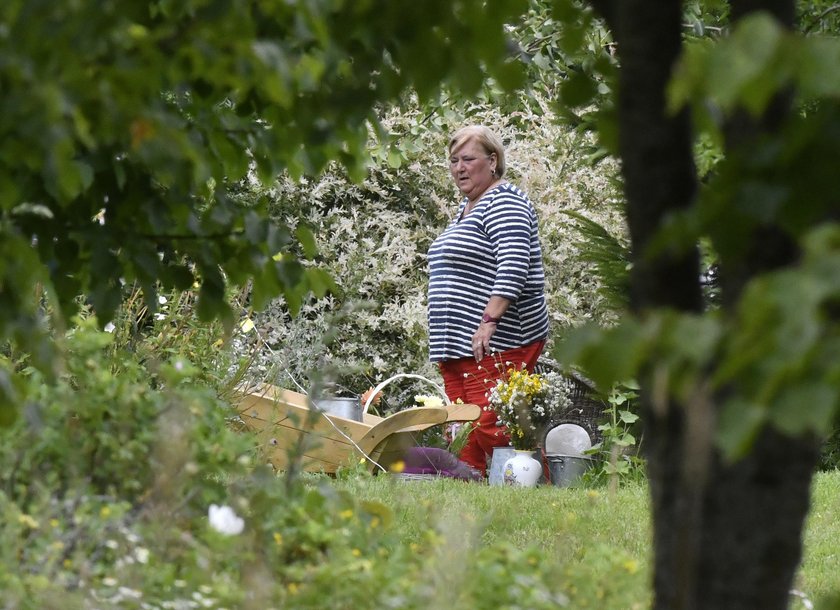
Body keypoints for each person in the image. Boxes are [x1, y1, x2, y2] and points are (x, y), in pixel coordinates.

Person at [427, 125, 550, 477]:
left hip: (499, 339)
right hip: (457, 346)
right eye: (453, 161)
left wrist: (489, 321)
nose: (459, 168)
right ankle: (469, 487)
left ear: (492, 161)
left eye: (468, 159)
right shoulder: (467, 209)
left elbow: (514, 265)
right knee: (465, 424)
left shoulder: (504, 201)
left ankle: (518, 489)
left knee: (490, 421)